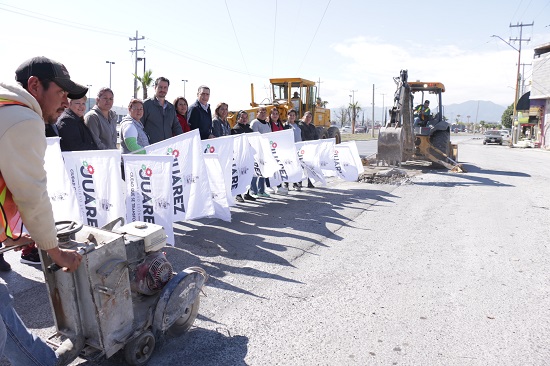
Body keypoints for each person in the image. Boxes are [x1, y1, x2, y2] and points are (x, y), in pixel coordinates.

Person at [0, 55, 84, 366]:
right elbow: (32, 193)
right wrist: (56, 251)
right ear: (35, 86)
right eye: (61, 92)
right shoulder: (24, 119)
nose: (66, 100)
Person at [141, 77, 183, 144]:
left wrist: (183, 140)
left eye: (165, 87)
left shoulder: (171, 107)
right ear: (155, 87)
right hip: (151, 147)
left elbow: (176, 126)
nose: (162, 90)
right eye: (160, 87)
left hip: (167, 148)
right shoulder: (145, 105)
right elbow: (139, 126)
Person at [231, 110, 256, 202]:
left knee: (248, 174)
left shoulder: (249, 129)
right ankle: (238, 195)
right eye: (242, 117)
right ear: (238, 118)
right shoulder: (235, 129)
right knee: (240, 175)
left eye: (246, 117)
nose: (244, 119)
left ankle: (247, 193)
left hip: (248, 156)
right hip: (239, 156)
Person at [249, 107, 271, 197]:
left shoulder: (267, 124)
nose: (263, 114)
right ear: (257, 113)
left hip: (265, 150)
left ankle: (261, 190)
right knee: (255, 171)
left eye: (264, 112)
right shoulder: (254, 123)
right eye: (261, 112)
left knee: (263, 171)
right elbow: (254, 136)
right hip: (256, 150)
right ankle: (253, 191)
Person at [267, 108, 288, 195]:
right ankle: (268, 186)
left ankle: (279, 186)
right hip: (271, 149)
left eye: (276, 114)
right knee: (270, 168)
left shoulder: (280, 124)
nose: (275, 115)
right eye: (273, 114)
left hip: (279, 150)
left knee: (278, 168)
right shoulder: (269, 124)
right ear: (270, 115)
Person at [298, 111, 318, 188]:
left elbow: (316, 137)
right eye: (307, 117)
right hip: (303, 149)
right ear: (303, 117)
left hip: (311, 149)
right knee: (301, 166)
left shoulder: (312, 127)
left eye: (310, 117)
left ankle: (310, 182)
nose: (308, 118)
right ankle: (299, 182)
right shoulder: (300, 125)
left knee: (310, 167)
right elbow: (302, 137)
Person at [283, 109, 302, 191]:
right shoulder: (285, 126)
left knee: (296, 166)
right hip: (288, 149)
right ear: (287, 116)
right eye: (290, 115)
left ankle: (295, 183)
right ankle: (286, 184)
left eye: (293, 115)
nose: (292, 117)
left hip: (297, 149)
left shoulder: (298, 125)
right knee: (288, 166)